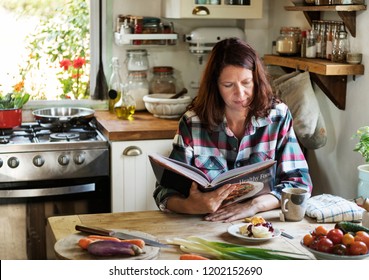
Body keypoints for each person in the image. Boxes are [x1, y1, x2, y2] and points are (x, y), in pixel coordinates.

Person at [153, 38, 313, 222]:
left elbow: (299, 183)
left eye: (246, 82)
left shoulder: (278, 116)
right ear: (215, 86)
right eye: (228, 85)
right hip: (206, 223)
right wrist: (192, 206)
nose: (240, 93)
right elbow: (164, 192)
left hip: (262, 223)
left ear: (256, 80)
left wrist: (253, 206)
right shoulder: (193, 123)